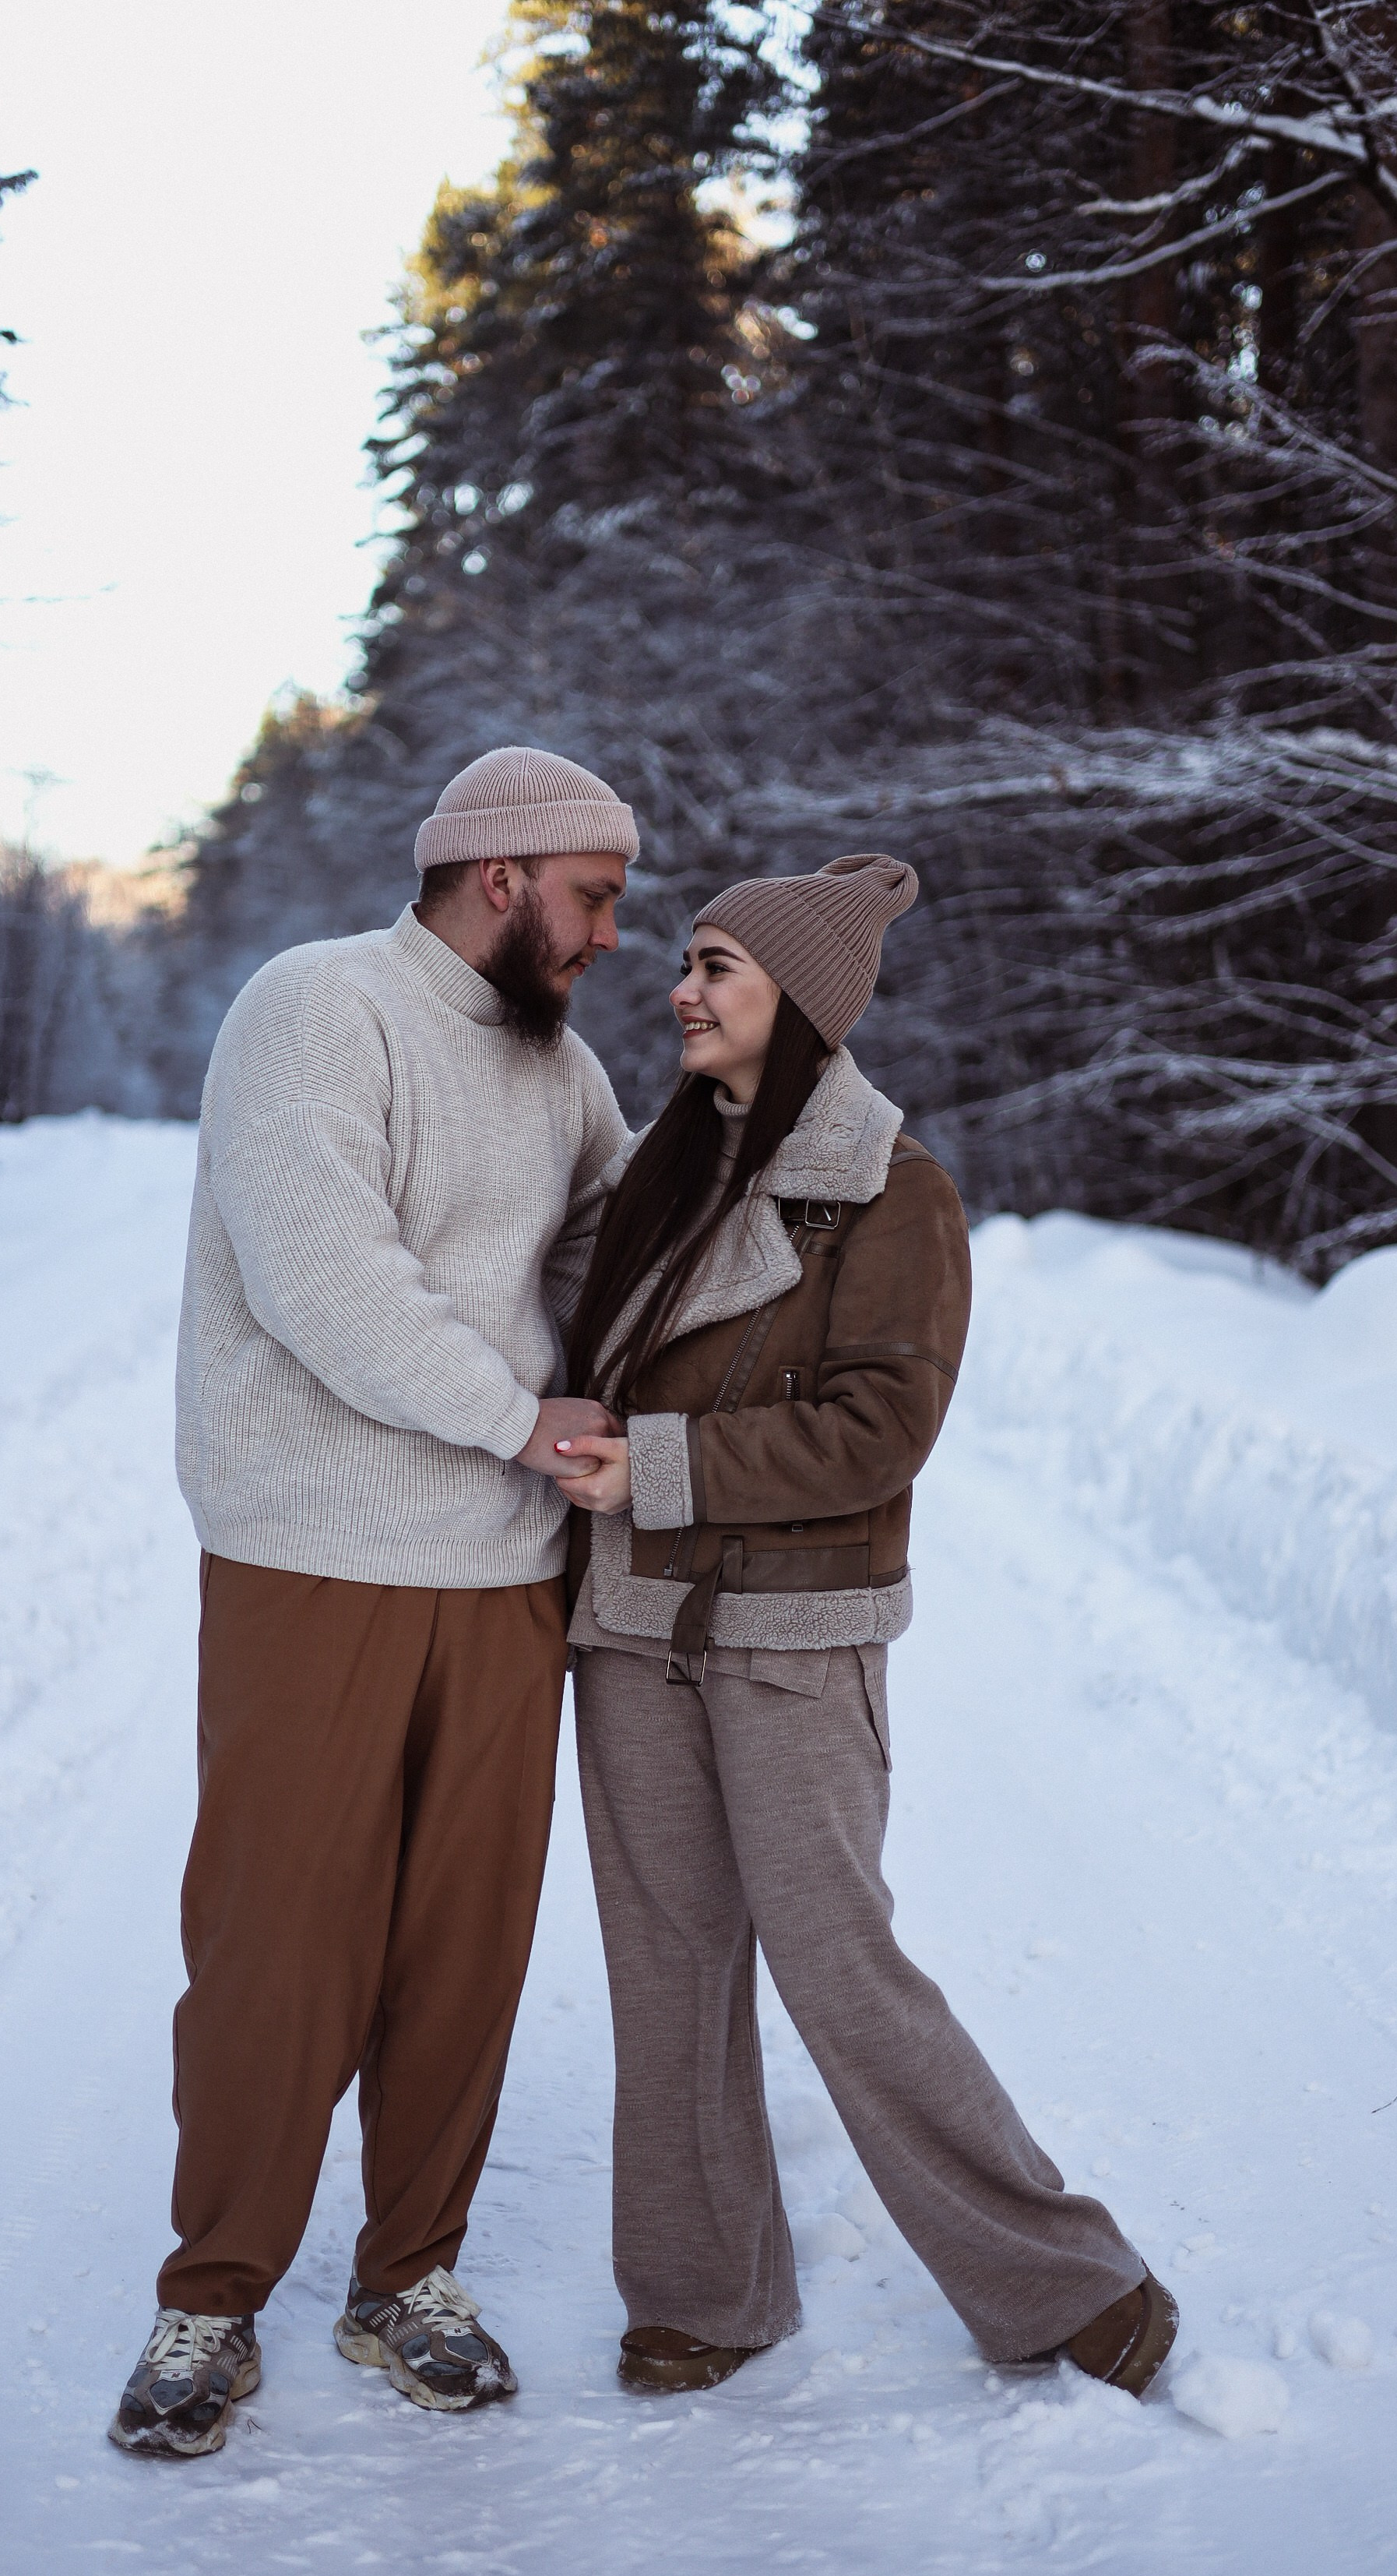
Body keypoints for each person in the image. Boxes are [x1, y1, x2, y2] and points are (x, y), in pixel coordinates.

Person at [555, 853, 1179, 2400]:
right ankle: (703, 2291)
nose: (683, 991)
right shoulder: (659, 1168)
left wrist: (661, 1468)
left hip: (791, 1631)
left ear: (801, 1004)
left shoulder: (892, 1189)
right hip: (632, 1623)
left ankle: (1067, 2279)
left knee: (840, 1969)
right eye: (688, 963)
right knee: (667, 1968)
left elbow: (879, 1431)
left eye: (716, 969)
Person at [110, 745, 635, 2457]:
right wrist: (518, 1417)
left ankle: (407, 2275)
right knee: (278, 1942)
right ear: (499, 877)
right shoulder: (315, 1008)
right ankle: (211, 2301)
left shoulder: (560, 1068)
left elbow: (629, 1246)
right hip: (314, 1556)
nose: (612, 937)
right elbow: (322, 1270)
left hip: (505, 1572)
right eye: (594, 898)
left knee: (461, 1952)